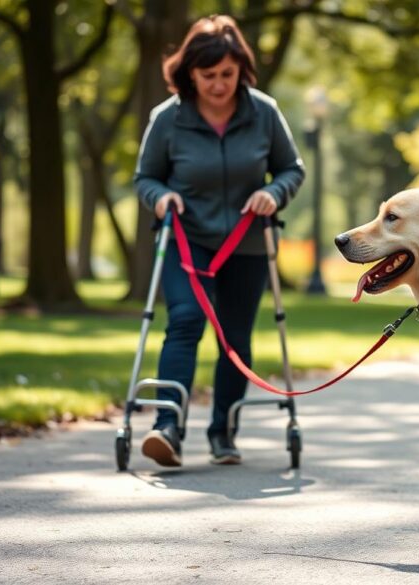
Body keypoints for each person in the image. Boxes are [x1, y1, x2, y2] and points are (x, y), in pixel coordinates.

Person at [133, 15, 305, 467]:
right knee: (186, 321)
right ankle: (166, 427)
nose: (218, 84)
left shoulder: (263, 111)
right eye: (208, 75)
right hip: (187, 242)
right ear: (189, 72)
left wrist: (274, 192)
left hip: (246, 244)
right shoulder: (168, 118)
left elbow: (293, 168)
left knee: (235, 336)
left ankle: (223, 433)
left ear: (240, 69)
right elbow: (145, 178)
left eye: (227, 74)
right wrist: (161, 196)